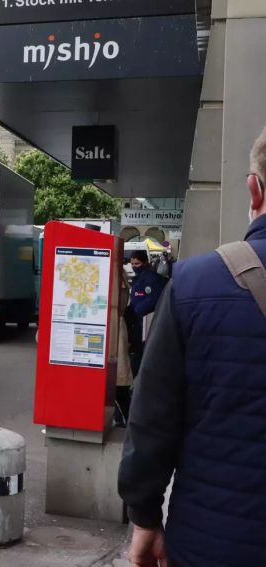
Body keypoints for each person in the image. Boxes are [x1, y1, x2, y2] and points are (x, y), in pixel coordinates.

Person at [118, 127, 266, 567]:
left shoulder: (197, 283)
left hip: (215, 541)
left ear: (253, 189)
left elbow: (152, 421)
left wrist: (145, 518)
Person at [123, 250, 166, 379]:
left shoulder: (151, 279)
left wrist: (137, 311)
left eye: (137, 263)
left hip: (145, 322)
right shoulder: (138, 279)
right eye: (132, 264)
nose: (134, 267)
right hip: (137, 321)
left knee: (140, 352)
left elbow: (154, 299)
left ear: (145, 262)